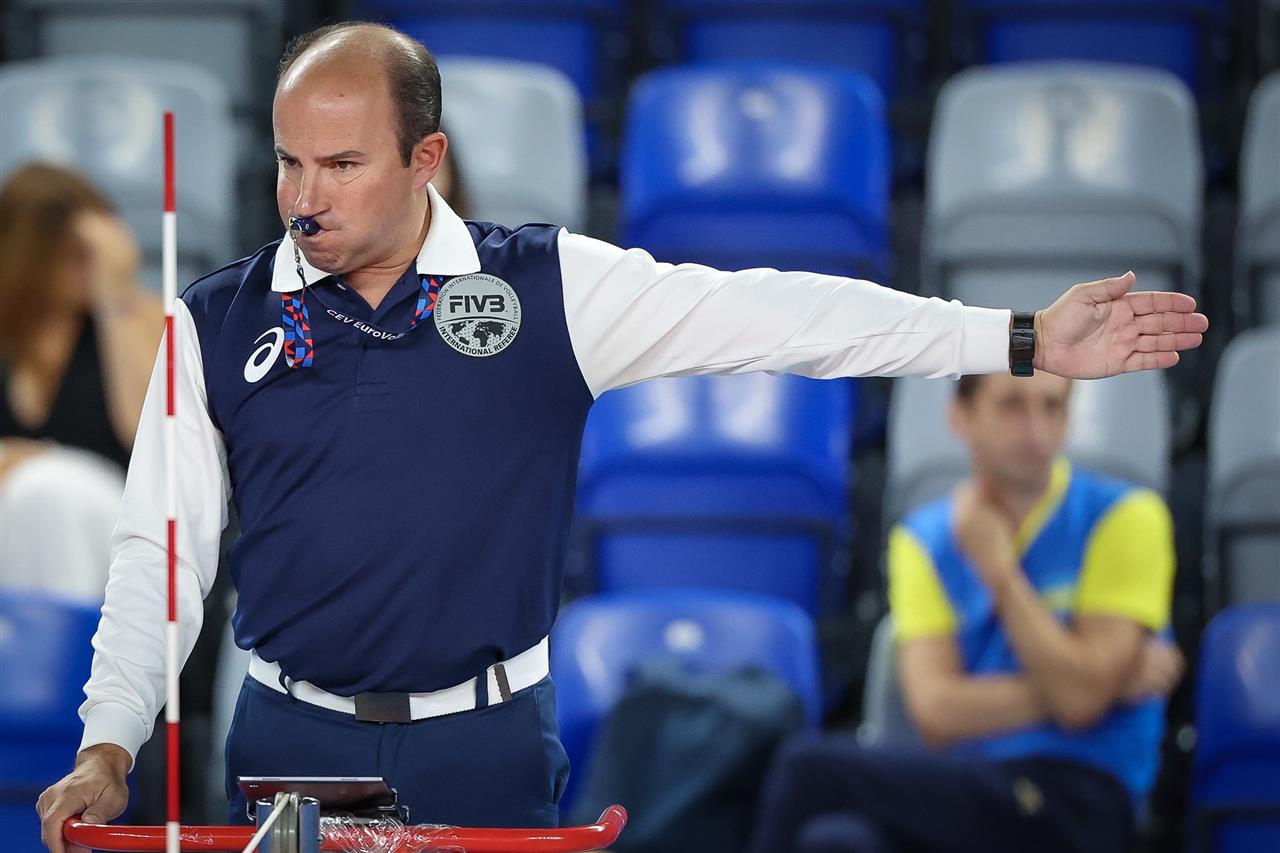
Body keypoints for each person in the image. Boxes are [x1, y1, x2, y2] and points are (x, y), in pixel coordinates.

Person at [36, 21, 1206, 852]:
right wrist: (108, 745)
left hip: (485, 742)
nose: (305, 197)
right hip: (288, 740)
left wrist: (1016, 338)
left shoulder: (551, 289)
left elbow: (783, 317)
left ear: (425, 160)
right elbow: (160, 557)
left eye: (341, 165)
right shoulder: (212, 322)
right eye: (291, 161)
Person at [746, 371, 1184, 853]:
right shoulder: (924, 538)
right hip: (967, 789)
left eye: (1053, 406)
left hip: (1080, 795)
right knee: (835, 841)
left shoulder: (1125, 516)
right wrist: (1091, 683)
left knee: (807, 769)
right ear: (960, 416)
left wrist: (1000, 573)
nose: (1037, 430)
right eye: (1012, 405)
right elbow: (936, 712)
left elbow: (1078, 703)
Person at [0, 163, 163, 602]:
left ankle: (65, 643)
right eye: (77, 252)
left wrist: (115, 299)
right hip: (13, 535)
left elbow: (151, 438)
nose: (93, 264)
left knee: (49, 490)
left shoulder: (138, 316)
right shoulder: (10, 336)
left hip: (110, 528)